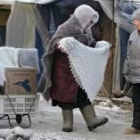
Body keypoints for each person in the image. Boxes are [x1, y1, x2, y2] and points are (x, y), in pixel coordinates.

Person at [38, 4, 108, 132]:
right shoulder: (66, 28)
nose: (89, 25)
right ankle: (67, 123)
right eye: (89, 21)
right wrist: (64, 44)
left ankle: (91, 120)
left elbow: (88, 43)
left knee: (82, 95)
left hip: (77, 71)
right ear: (83, 18)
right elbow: (55, 43)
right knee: (65, 98)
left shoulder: (83, 30)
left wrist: (98, 45)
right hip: (63, 72)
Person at [123, 8, 140, 134]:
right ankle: (136, 126)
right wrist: (126, 70)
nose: (134, 22)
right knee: (137, 102)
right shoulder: (133, 35)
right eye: (134, 20)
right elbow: (128, 55)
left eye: (137, 20)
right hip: (135, 75)